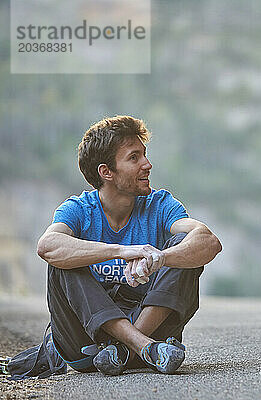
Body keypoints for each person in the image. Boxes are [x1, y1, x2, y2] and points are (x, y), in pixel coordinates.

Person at [35, 115, 222, 376]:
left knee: (185, 247)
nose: (147, 164)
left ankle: (125, 349)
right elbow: (47, 246)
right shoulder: (78, 210)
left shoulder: (159, 204)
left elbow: (208, 242)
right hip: (87, 346)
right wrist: (121, 251)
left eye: (144, 155)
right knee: (64, 256)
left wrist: (161, 257)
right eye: (134, 158)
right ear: (106, 172)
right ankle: (140, 345)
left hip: (145, 334)